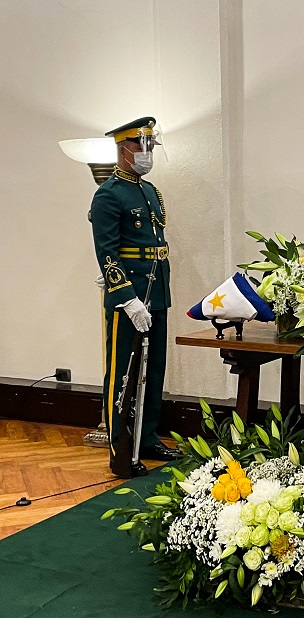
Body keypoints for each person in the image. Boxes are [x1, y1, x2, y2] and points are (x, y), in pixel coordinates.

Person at [91, 117, 177, 474]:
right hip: (130, 298)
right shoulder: (108, 194)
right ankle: (121, 449)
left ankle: (148, 436)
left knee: (153, 368)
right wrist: (126, 297)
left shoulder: (149, 190)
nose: (147, 151)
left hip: (156, 291)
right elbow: (107, 252)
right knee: (123, 374)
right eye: (141, 145)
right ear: (123, 148)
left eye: (150, 144)